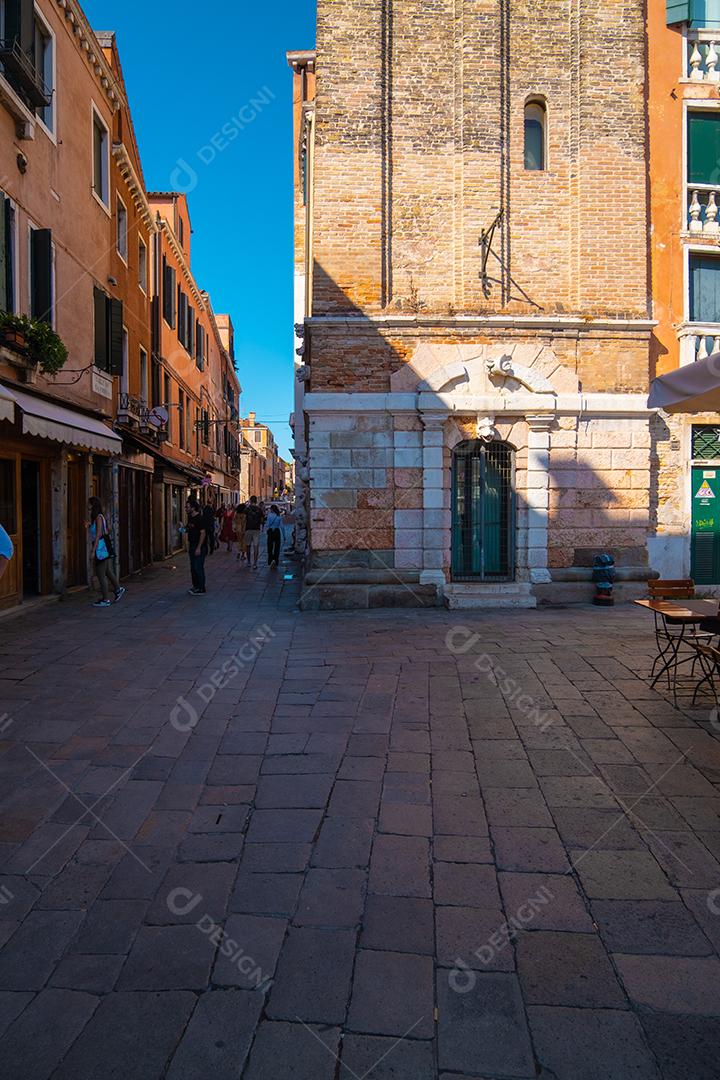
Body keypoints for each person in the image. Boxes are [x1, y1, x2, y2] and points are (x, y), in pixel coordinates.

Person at [88, 497, 125, 608]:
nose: (87, 506)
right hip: (103, 547)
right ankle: (118, 589)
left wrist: (93, 551)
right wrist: (89, 525)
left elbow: (99, 534)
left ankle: (106, 599)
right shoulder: (98, 518)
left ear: (93, 505)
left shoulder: (99, 518)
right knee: (108, 570)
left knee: (101, 574)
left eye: (89, 504)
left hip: (101, 548)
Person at [186, 496, 208, 595]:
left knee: (198, 567)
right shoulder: (190, 518)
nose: (186, 509)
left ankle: (201, 588)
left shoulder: (200, 518)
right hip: (192, 545)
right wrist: (182, 528)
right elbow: (188, 529)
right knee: (193, 568)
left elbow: (203, 533)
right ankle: (196, 586)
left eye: (187, 507)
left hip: (199, 546)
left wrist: (199, 547)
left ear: (193, 508)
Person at [244, 496, 263, 570]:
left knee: (248, 546)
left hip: (248, 528)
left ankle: (249, 562)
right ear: (256, 501)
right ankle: (255, 563)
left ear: (250, 500)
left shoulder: (247, 509)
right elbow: (262, 520)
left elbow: (244, 518)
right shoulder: (259, 509)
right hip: (256, 529)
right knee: (256, 547)